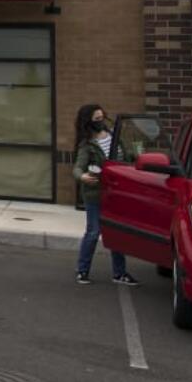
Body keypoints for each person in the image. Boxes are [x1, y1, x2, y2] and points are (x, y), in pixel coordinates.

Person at [73, 103, 139, 286]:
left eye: (102, 118)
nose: (101, 122)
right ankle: (82, 270)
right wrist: (83, 177)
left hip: (115, 192)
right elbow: (77, 168)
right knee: (93, 232)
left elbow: (125, 158)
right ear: (88, 122)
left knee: (116, 232)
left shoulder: (113, 135)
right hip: (96, 194)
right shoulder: (87, 145)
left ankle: (119, 273)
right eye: (96, 119)